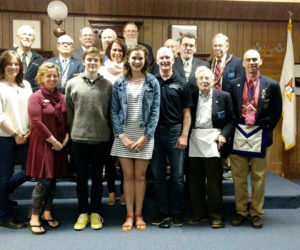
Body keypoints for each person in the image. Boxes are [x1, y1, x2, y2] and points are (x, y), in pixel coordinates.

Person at [229, 49, 282, 229]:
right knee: (239, 176)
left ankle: (256, 213)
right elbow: (230, 111)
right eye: (248, 60)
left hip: (260, 136)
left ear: (260, 62)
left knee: (259, 177)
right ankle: (241, 211)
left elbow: (276, 112)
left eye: (254, 59)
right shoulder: (233, 83)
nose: (251, 62)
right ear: (242, 63)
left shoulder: (272, 85)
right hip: (238, 135)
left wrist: (266, 130)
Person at [111, 45, 160, 232]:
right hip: (124, 134)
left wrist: (146, 136)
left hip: (144, 136)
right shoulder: (119, 82)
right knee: (128, 176)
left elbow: (155, 111)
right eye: (134, 58)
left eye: (140, 58)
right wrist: (121, 136)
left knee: (140, 177)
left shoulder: (152, 82)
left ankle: (139, 214)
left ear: (145, 60)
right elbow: (114, 111)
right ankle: (129, 215)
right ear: (128, 60)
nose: (137, 61)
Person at [65, 47, 112, 231]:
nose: (92, 63)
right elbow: (69, 112)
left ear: (100, 63)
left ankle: (95, 212)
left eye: (96, 60)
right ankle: (83, 212)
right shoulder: (72, 83)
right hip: (79, 139)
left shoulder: (108, 85)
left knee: (97, 179)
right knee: (82, 179)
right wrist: (74, 130)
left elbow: (110, 113)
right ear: (83, 61)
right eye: (89, 60)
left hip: (101, 139)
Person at [187, 66, 234, 228]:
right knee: (194, 180)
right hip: (194, 139)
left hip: (214, 139)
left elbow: (231, 120)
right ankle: (199, 213)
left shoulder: (224, 96)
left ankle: (215, 216)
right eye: (201, 78)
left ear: (214, 81)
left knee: (214, 181)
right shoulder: (191, 96)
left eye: (207, 78)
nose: (205, 81)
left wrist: (224, 135)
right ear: (197, 81)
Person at [151, 47, 192, 229]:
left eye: (168, 57)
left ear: (173, 59)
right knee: (158, 175)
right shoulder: (151, 82)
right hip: (155, 133)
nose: (165, 61)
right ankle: (162, 209)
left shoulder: (182, 83)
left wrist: (184, 135)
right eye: (162, 58)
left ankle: (176, 212)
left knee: (177, 176)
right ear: (157, 61)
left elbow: (187, 113)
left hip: (176, 131)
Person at [27, 62, 69, 234]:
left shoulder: (62, 97)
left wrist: (65, 140)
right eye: (48, 75)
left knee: (52, 180)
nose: (52, 79)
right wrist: (54, 141)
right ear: (41, 77)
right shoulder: (35, 97)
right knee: (44, 180)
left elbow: (67, 121)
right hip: (43, 144)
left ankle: (47, 212)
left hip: (59, 144)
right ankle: (34, 216)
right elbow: (36, 122)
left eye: (55, 75)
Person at [0, 50, 32, 229]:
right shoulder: (0, 85)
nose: (13, 67)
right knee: (3, 177)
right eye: (9, 64)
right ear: (3, 66)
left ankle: (2, 195)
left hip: (25, 135)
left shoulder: (25, 85)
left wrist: (28, 131)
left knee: (30, 170)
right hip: (5, 137)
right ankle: (4, 216)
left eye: (16, 64)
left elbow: (31, 110)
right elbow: (0, 116)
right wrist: (15, 134)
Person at [210, 33, 245, 180]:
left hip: (232, 107)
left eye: (220, 45)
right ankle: (219, 166)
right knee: (217, 137)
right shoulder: (210, 63)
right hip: (215, 108)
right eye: (215, 45)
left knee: (230, 137)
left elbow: (242, 86)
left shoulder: (237, 63)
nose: (218, 48)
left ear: (227, 46)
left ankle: (229, 167)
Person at [99, 38, 127, 205]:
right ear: (109, 51)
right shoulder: (102, 71)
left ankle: (124, 191)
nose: (117, 53)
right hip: (106, 121)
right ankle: (111, 191)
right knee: (109, 159)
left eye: (120, 51)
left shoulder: (129, 71)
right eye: (114, 50)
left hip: (125, 121)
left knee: (123, 158)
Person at [12, 24, 43, 92]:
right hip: (9, 93)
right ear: (18, 36)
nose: (27, 37)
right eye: (24, 34)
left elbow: (41, 80)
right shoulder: (8, 55)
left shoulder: (39, 59)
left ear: (33, 38)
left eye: (30, 35)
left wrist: (29, 92)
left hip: (31, 95)